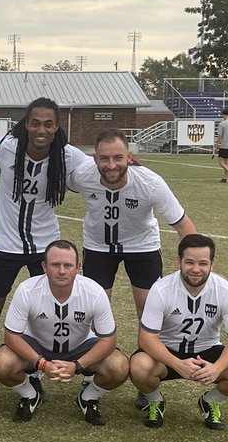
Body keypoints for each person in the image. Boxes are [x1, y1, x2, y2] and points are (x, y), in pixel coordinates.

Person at [0, 98, 88, 354]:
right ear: (26, 125)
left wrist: (126, 163)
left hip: (44, 245)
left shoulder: (68, 155)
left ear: (56, 127)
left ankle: (35, 368)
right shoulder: (6, 147)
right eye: (36, 123)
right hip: (5, 245)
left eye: (48, 124)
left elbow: (100, 169)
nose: (42, 130)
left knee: (43, 310)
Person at [129, 234, 228, 430]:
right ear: (179, 261)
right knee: (139, 367)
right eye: (189, 262)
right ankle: (154, 401)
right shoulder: (161, 289)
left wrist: (217, 368)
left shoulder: (226, 290)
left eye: (202, 263)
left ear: (212, 264)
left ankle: (210, 401)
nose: (196, 269)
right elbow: (146, 339)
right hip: (168, 352)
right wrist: (177, 364)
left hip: (207, 349)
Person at [0, 240, 129, 424]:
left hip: (81, 346)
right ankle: (30, 395)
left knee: (119, 366)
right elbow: (11, 336)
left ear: (78, 267)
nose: (62, 271)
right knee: (2, 363)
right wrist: (42, 364)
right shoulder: (27, 290)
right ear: (44, 266)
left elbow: (108, 341)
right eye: (55, 265)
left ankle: (88, 398)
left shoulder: (94, 292)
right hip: (37, 345)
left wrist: (78, 366)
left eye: (68, 265)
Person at [70, 130, 197, 319]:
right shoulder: (82, 176)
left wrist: (197, 264)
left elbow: (182, 224)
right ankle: (98, 348)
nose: (111, 165)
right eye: (104, 159)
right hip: (98, 247)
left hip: (142, 246)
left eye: (118, 158)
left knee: (148, 309)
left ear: (129, 157)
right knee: (95, 310)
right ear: (95, 159)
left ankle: (147, 349)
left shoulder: (150, 183)